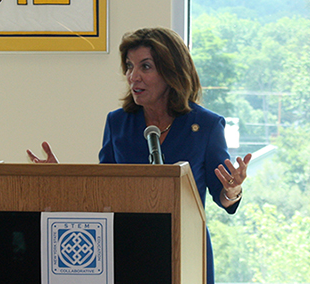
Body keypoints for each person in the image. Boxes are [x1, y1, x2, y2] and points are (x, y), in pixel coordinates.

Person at [27, 27, 252, 284]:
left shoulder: (206, 126)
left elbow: (223, 197)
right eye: (129, 66)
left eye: (145, 67)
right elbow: (103, 193)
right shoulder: (118, 123)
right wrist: (63, 177)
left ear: (171, 72)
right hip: (126, 248)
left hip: (185, 248)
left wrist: (233, 190)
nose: (133, 76)